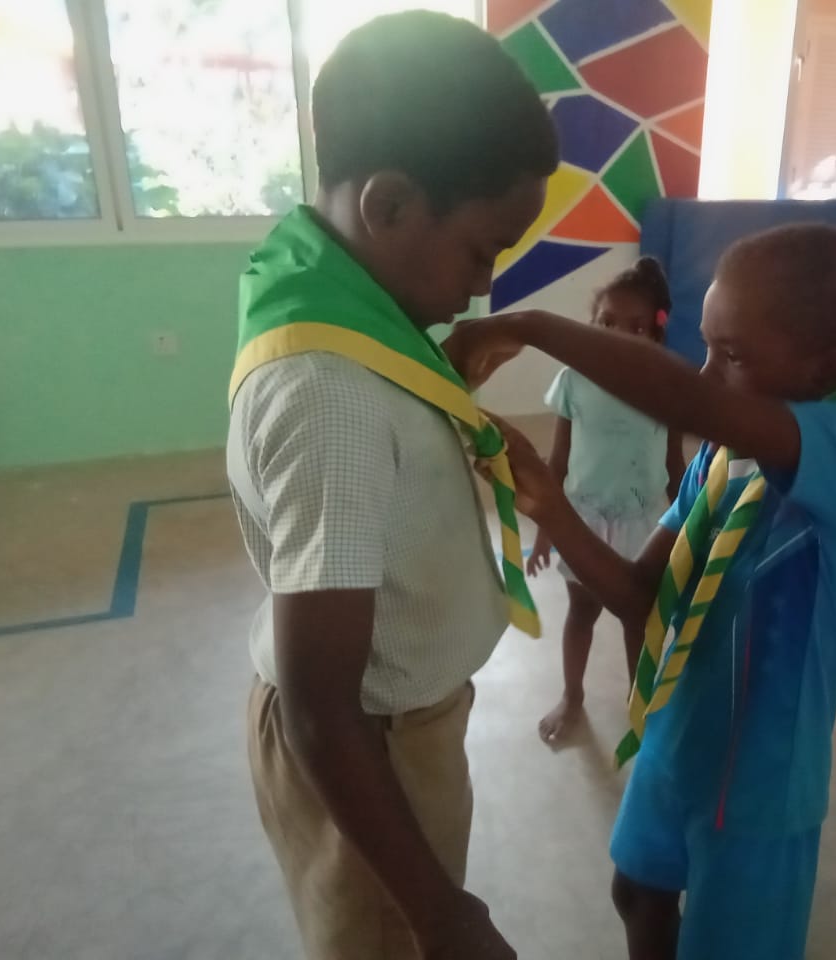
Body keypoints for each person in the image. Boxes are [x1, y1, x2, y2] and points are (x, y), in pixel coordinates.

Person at [225, 12, 557, 960]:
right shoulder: (331, 393)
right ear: (391, 205)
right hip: (367, 744)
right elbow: (322, 698)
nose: (484, 288)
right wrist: (442, 912)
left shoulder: (335, 290)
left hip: (397, 726)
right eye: (482, 252)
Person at [472, 222, 836, 959]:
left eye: (729, 356)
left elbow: (690, 404)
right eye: (703, 346)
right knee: (636, 892)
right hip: (679, 733)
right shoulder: (723, 464)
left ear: (825, 369)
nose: (703, 375)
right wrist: (550, 503)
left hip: (762, 784)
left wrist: (535, 324)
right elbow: (642, 596)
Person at [528, 257, 687, 744]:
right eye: (606, 323)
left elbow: (678, 466)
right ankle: (571, 696)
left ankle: (643, 707)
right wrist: (545, 529)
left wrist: (693, 531)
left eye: (634, 326)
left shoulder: (668, 387)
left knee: (638, 619)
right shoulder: (574, 380)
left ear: (656, 332)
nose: (617, 334)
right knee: (581, 612)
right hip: (586, 519)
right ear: (591, 326)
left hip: (645, 525)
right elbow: (556, 463)